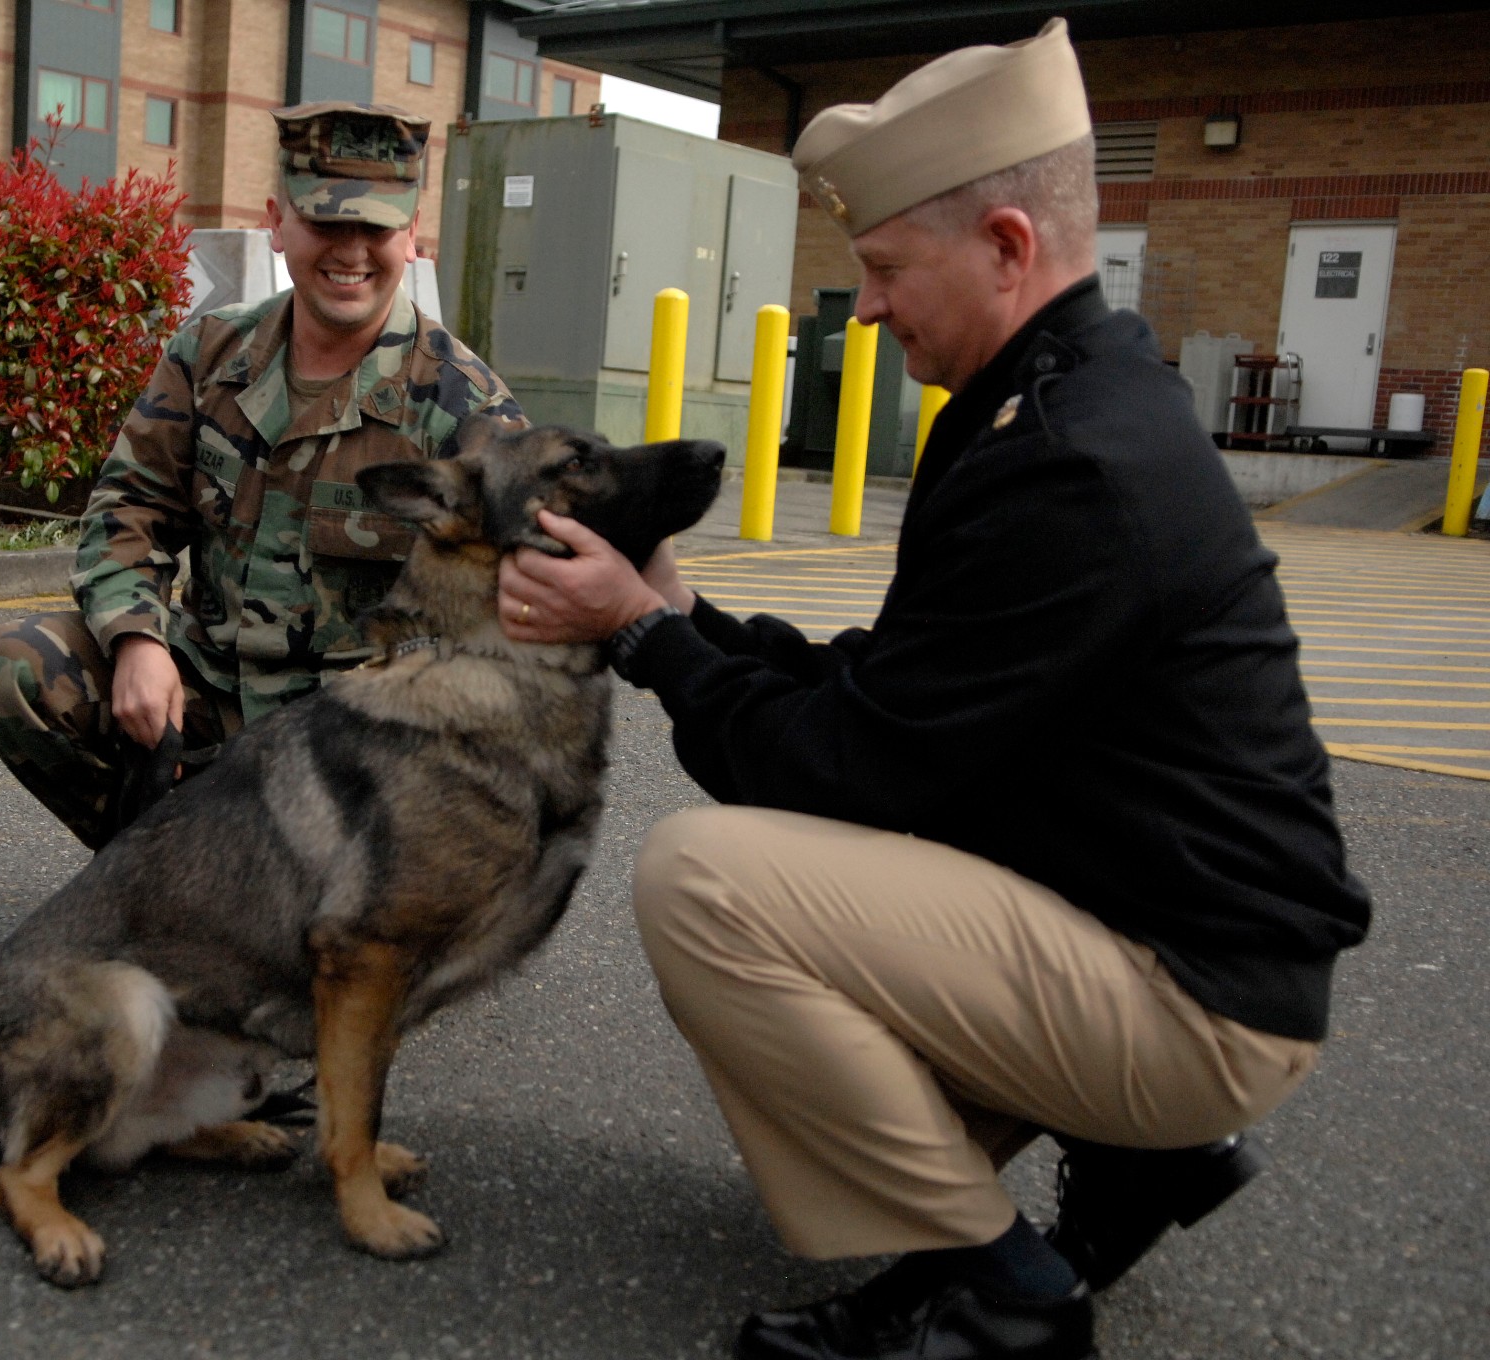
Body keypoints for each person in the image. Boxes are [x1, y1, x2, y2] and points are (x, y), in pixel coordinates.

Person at [496, 20, 1370, 1360]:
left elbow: (842, 769)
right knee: (820, 1000)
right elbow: (896, 696)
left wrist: (635, 637)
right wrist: (679, 611)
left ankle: (1006, 1293)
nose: (871, 305)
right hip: (1151, 929)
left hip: (1196, 1000)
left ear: (1009, 245)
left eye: (889, 268)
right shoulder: (1054, 400)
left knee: (709, 881)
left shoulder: (1072, 462)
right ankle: (1127, 1156)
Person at [0, 101, 523, 848]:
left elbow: (513, 619)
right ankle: (164, 869)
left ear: (411, 235)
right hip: (208, 694)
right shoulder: (211, 353)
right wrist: (139, 642)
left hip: (355, 733)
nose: (351, 251)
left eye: (377, 227)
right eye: (326, 222)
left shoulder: (465, 404)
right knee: (13, 670)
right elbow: (130, 509)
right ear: (278, 221)